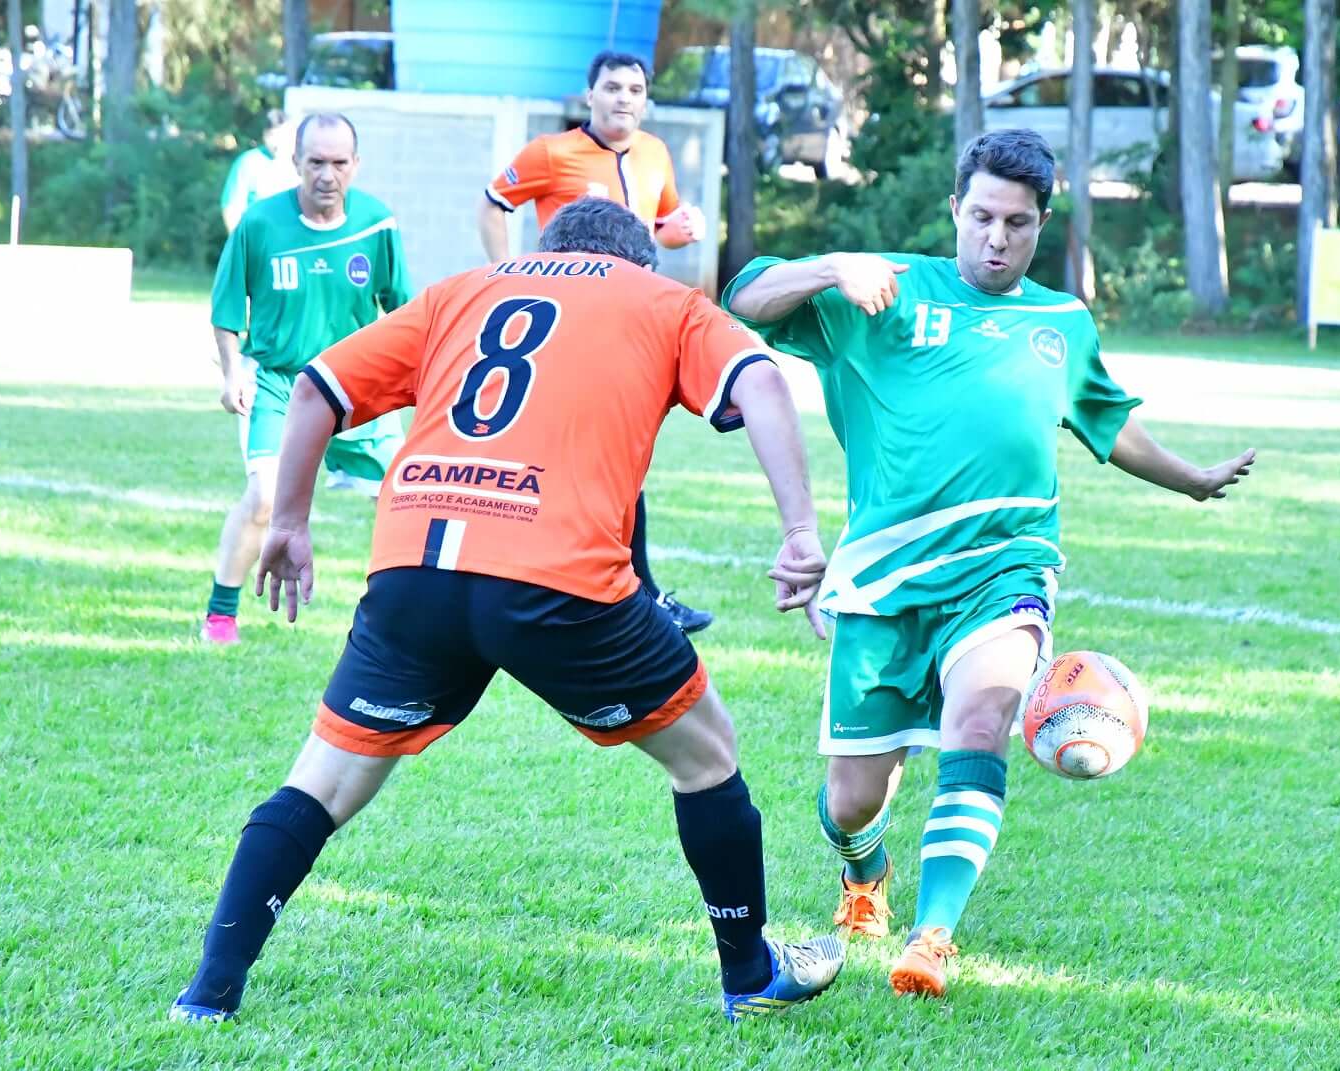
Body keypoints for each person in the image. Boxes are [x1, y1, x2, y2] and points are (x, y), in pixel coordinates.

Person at [168, 197, 846, 1025]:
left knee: (325, 781)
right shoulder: (660, 299)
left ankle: (208, 993)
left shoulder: (464, 290)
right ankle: (749, 973)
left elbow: (317, 387)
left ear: (543, 250)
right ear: (638, 262)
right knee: (706, 756)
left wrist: (291, 524)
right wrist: (802, 532)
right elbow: (763, 380)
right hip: (556, 577)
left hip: (413, 570)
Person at [722, 129, 1256, 1000]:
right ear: (954, 211)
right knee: (854, 799)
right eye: (981, 217)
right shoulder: (883, 289)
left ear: (1041, 223)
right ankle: (865, 878)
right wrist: (831, 267)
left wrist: (1191, 480)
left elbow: (1105, 419)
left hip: (1005, 568)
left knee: (981, 718)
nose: (996, 237)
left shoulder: (1059, 321)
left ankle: (933, 937)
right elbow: (745, 294)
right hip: (883, 577)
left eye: (1016, 221)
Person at [477, 49, 713, 634]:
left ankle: (631, 593)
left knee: (621, 455)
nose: (624, 98)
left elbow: (653, 234)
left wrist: (678, 232)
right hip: (567, 325)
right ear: (590, 95)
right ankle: (542, 576)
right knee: (564, 449)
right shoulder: (551, 154)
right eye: (612, 87)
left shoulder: (656, 153)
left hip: (631, 326)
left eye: (635, 89)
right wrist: (511, 274)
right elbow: (492, 206)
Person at [203, 113, 411, 646]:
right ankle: (221, 616)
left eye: (339, 163)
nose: (327, 174)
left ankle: (408, 624)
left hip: (356, 387)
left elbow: (403, 313)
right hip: (278, 384)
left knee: (411, 497)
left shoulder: (377, 225)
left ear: (355, 166)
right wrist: (232, 375)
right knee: (267, 499)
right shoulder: (260, 225)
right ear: (295, 163)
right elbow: (227, 310)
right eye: (316, 161)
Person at [219, 110, 299, 233]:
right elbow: (231, 208)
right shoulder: (248, 163)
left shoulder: (304, 163)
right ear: (265, 136)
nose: (277, 143)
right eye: (272, 136)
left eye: (284, 135)